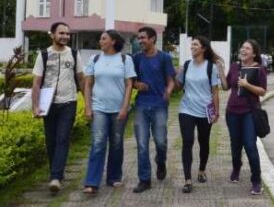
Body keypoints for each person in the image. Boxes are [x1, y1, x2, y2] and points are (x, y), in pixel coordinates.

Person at [31, 22, 84, 193]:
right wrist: (35, 106)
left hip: (68, 102)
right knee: (51, 141)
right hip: (48, 105)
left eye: (67, 34)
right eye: (61, 33)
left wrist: (89, 104)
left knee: (62, 139)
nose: (65, 37)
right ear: (52, 35)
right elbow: (36, 83)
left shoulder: (74, 54)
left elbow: (81, 80)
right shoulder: (44, 55)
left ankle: (55, 177)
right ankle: (57, 173)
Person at [82, 30, 136, 194]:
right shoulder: (94, 59)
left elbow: (129, 85)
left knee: (117, 143)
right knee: (98, 143)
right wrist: (87, 106)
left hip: (118, 109)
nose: (100, 41)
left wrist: (124, 107)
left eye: (104, 38)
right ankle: (91, 182)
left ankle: (114, 177)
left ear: (113, 41)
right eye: (100, 38)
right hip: (99, 108)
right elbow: (88, 84)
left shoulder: (125, 59)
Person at [218, 39, 267, 195]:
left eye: (247, 48)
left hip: (249, 113)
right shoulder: (234, 66)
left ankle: (256, 181)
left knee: (250, 146)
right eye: (242, 47)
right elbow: (226, 87)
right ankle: (236, 167)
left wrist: (247, 85)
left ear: (254, 53)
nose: (243, 50)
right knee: (235, 144)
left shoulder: (259, 69)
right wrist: (220, 70)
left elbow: (262, 91)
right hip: (232, 112)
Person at [132, 26, 176, 193]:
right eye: (139, 38)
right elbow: (131, 81)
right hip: (142, 105)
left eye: (143, 38)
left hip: (159, 105)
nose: (140, 41)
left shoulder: (164, 58)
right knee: (142, 144)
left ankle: (161, 161)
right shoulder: (136, 58)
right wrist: (137, 84)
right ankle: (144, 180)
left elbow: (170, 80)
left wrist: (169, 91)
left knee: (160, 142)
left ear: (152, 39)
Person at [175, 36, 220, 194]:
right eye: (192, 44)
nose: (192, 46)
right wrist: (177, 75)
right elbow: (178, 86)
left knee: (204, 141)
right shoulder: (187, 65)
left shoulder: (211, 67)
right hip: (186, 109)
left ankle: (201, 170)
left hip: (204, 110)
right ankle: (187, 179)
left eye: (196, 44)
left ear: (203, 48)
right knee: (187, 141)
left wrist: (216, 111)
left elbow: (215, 91)